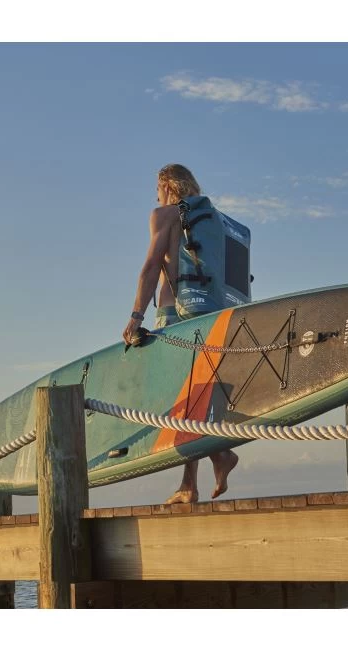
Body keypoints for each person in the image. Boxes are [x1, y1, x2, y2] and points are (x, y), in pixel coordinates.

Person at [122, 163, 238, 504]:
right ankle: (199, 474)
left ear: (167, 186)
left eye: (157, 190)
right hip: (212, 312)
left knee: (176, 399)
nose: (156, 197)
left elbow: (151, 266)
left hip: (175, 314)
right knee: (193, 399)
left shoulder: (165, 215)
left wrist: (135, 316)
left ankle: (213, 460)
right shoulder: (213, 220)